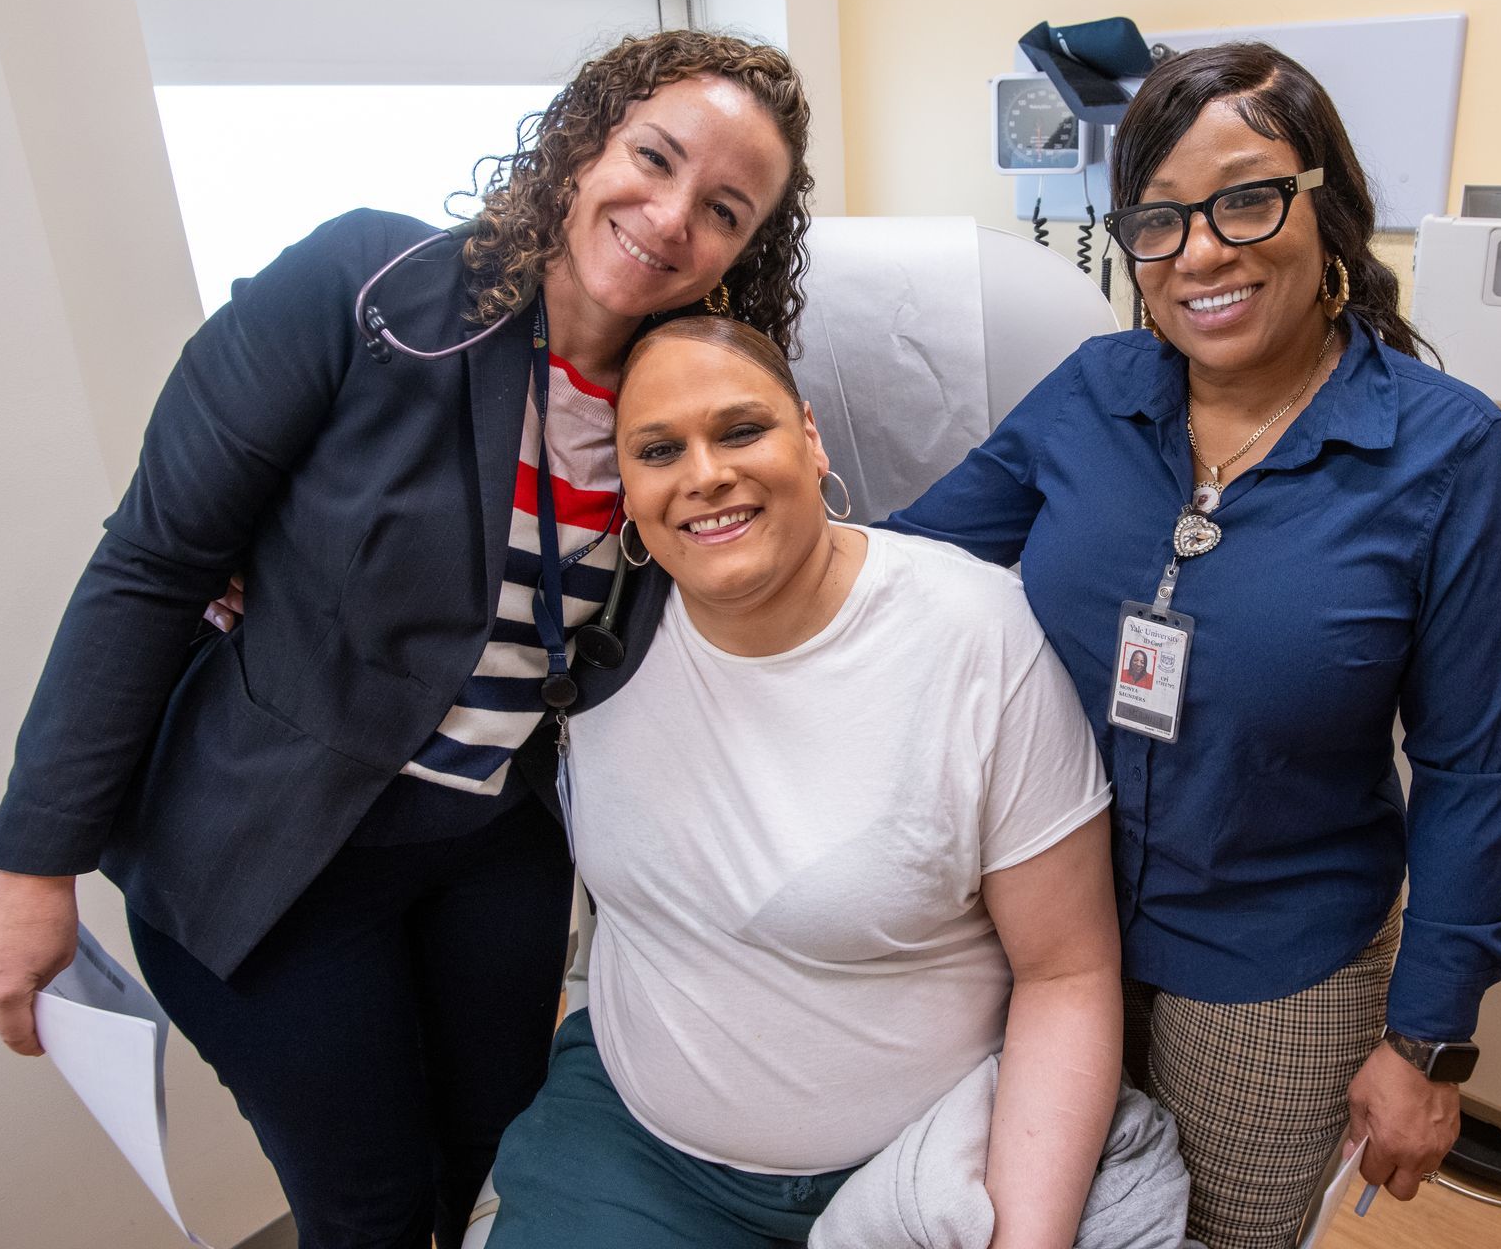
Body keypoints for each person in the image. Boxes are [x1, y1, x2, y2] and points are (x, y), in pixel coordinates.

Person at [0, 31, 814, 1249]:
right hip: (274, 847)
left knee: (477, 1162)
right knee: (371, 1208)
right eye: (652, 158)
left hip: (489, 848)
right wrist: (31, 864)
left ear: (745, 250)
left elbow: (771, 564)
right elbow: (153, 560)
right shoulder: (374, 288)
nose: (669, 218)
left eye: (722, 209)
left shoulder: (682, 407)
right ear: (582, 139)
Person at [886, 42, 1501, 1248]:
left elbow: (1473, 770)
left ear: (1328, 206)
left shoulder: (1449, 457)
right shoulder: (1093, 392)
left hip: (1273, 962)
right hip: (1040, 920)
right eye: (1159, 218)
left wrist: (1428, 1041)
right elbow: (905, 570)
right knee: (1017, 1214)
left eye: (1246, 197)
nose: (1199, 252)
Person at [481, 317, 1124, 1248]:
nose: (704, 473)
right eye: (659, 450)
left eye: (742, 430)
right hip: (636, 1142)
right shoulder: (590, 628)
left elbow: (1069, 972)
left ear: (811, 437)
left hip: (908, 1164)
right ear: (625, 488)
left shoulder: (975, 637)